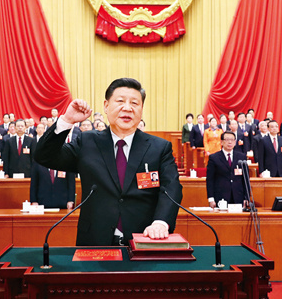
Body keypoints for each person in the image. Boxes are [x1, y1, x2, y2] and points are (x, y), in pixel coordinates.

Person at [35, 77, 182, 246]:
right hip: (95, 240)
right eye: (120, 101)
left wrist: (161, 222)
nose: (127, 108)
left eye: (134, 103)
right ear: (106, 106)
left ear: (141, 109)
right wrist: (67, 120)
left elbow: (172, 187)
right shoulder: (87, 142)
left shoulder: (159, 147)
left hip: (144, 239)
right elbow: (44, 156)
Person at [205, 131, 248, 207]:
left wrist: (246, 197)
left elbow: (245, 179)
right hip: (220, 196)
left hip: (238, 196)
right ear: (221, 142)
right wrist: (211, 198)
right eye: (227, 139)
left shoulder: (242, 157)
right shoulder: (214, 158)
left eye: (232, 140)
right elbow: (210, 179)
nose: (229, 142)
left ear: (235, 142)